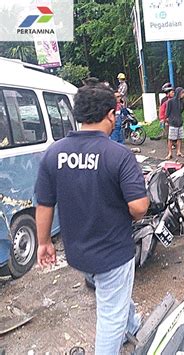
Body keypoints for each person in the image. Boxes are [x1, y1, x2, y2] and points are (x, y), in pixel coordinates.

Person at [34, 81, 149, 354]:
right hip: (113, 253)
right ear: (110, 114)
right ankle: (118, 336)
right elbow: (140, 207)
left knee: (114, 295)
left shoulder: (54, 153)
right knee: (110, 317)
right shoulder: (118, 154)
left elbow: (44, 203)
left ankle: (132, 324)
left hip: (78, 253)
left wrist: (43, 242)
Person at [166, 87, 184, 159]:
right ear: (179, 93)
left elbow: (181, 111)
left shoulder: (182, 102)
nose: (183, 94)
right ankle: (170, 153)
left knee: (180, 138)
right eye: (182, 93)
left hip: (180, 122)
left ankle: (178, 151)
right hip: (173, 123)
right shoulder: (170, 101)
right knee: (170, 139)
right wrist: (168, 120)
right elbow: (167, 113)